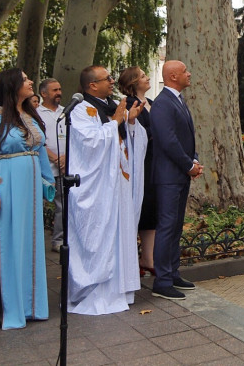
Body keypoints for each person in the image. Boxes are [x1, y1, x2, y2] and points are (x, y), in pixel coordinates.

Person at [0, 68, 55, 329]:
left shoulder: (30, 116)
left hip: (30, 187)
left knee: (31, 241)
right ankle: (11, 308)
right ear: (12, 86)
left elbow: (40, 151)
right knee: (9, 242)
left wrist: (48, 183)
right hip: (5, 184)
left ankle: (32, 306)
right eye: (24, 79)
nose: (30, 81)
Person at [67, 66, 147, 314]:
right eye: (107, 79)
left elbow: (126, 140)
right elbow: (89, 143)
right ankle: (96, 290)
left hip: (118, 183)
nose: (112, 81)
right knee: (101, 234)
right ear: (92, 85)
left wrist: (130, 122)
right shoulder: (81, 110)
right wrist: (115, 122)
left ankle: (119, 289)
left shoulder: (112, 106)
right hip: (99, 186)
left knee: (120, 233)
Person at [149, 60, 203, 298]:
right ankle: (161, 282)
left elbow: (185, 137)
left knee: (176, 226)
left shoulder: (178, 100)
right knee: (167, 226)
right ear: (172, 76)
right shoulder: (162, 103)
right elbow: (168, 141)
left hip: (179, 174)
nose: (189, 74)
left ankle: (172, 273)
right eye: (184, 71)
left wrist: (194, 160)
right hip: (168, 177)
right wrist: (189, 165)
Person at [117, 66, 158, 276]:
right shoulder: (128, 104)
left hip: (154, 161)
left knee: (151, 209)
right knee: (139, 206)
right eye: (142, 76)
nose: (147, 78)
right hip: (139, 163)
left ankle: (148, 257)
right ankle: (132, 257)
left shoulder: (151, 103)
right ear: (133, 82)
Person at [35, 78, 65, 252]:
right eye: (55, 90)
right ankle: (35, 242)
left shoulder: (66, 112)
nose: (59, 93)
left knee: (62, 206)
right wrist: (54, 158)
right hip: (44, 167)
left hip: (64, 167)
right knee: (38, 205)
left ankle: (59, 240)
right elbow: (37, 140)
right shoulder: (36, 114)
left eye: (59, 89)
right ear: (43, 93)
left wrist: (65, 158)